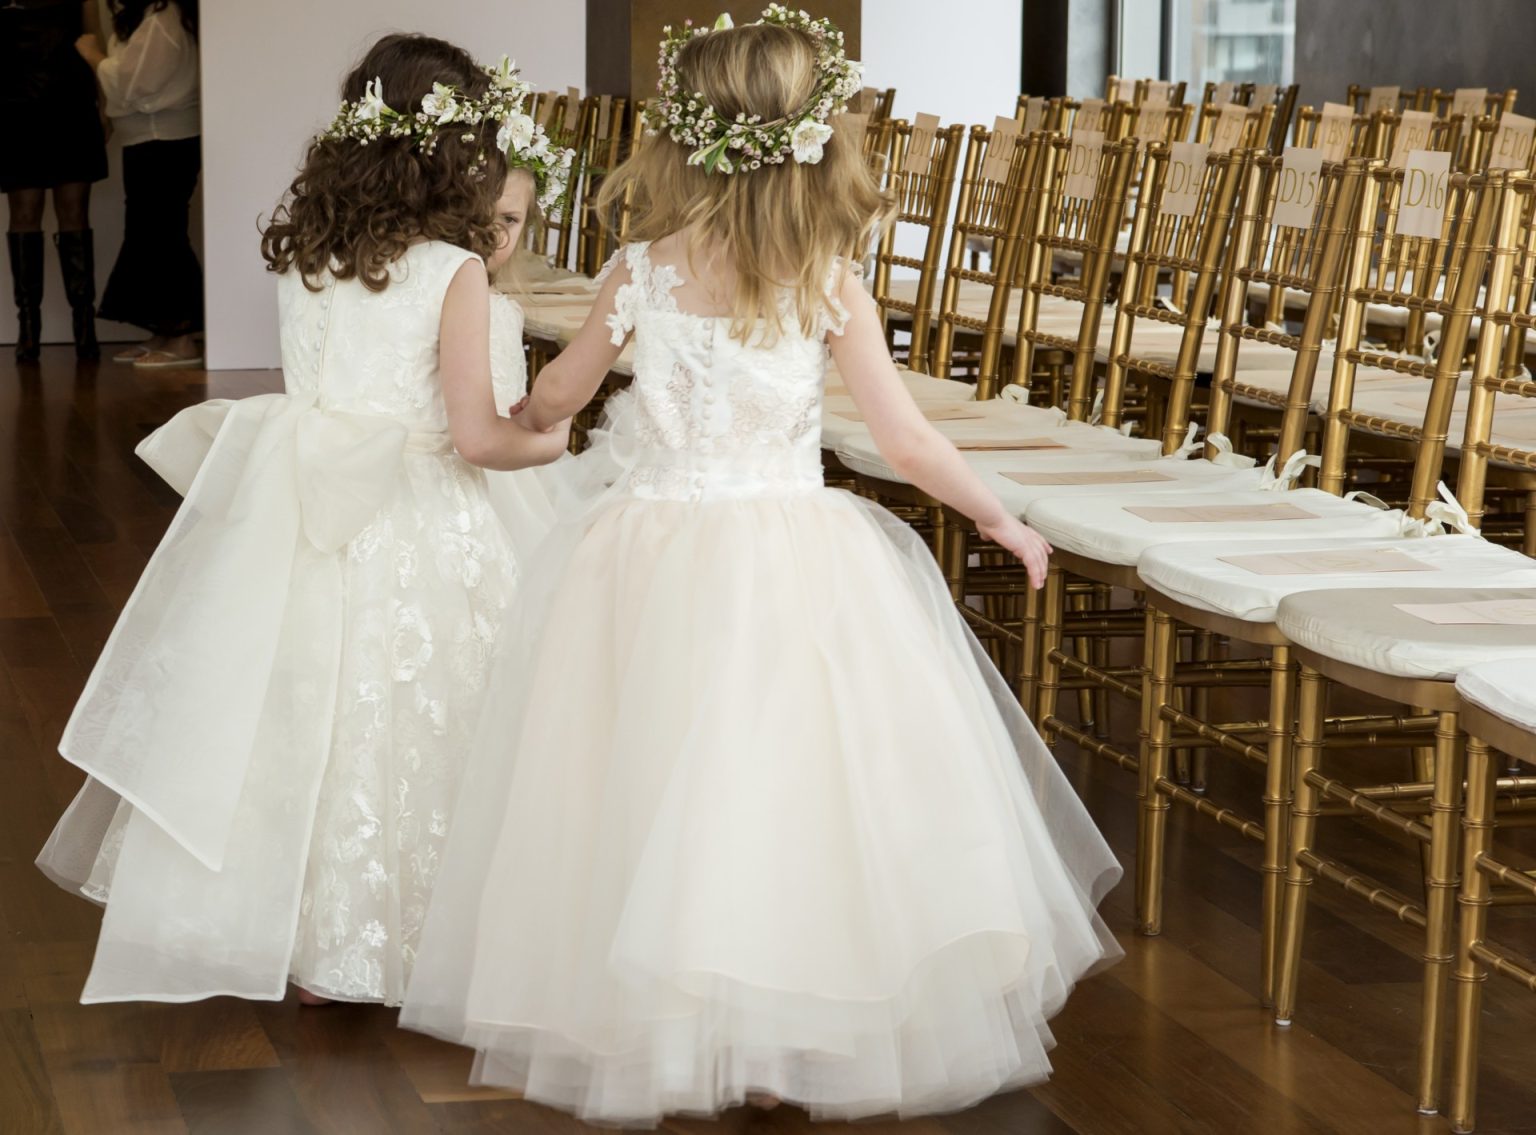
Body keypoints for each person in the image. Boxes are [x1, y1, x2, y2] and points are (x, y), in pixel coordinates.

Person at [400, 9, 1120, 1125]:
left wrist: (523, 417)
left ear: (686, 137)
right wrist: (1001, 520)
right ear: (813, 141)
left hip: (647, 551)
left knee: (638, 789)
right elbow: (909, 440)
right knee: (786, 792)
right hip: (794, 553)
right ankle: (786, 1034)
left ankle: (666, 1021)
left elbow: (563, 393)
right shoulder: (827, 281)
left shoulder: (639, 270)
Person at [35, 33, 573, 1007]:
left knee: (303, 721)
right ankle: (415, 940)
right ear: (453, 152)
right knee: (424, 718)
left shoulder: (312, 253)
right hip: (419, 511)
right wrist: (554, 446)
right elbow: (476, 437)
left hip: (302, 511)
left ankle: (308, 940)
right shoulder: (452, 268)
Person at [74, 0, 202, 367]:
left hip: (164, 140)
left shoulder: (164, 16)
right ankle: (164, 332)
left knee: (163, 234)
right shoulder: (151, 16)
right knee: (149, 233)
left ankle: (182, 337)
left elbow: (133, 83)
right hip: (148, 140)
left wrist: (95, 56)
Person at [2, 0, 110, 362]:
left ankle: (84, 328)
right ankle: (27, 329)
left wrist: (105, 102)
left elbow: (93, 39)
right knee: (24, 212)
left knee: (74, 211)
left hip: (72, 105)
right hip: (16, 106)